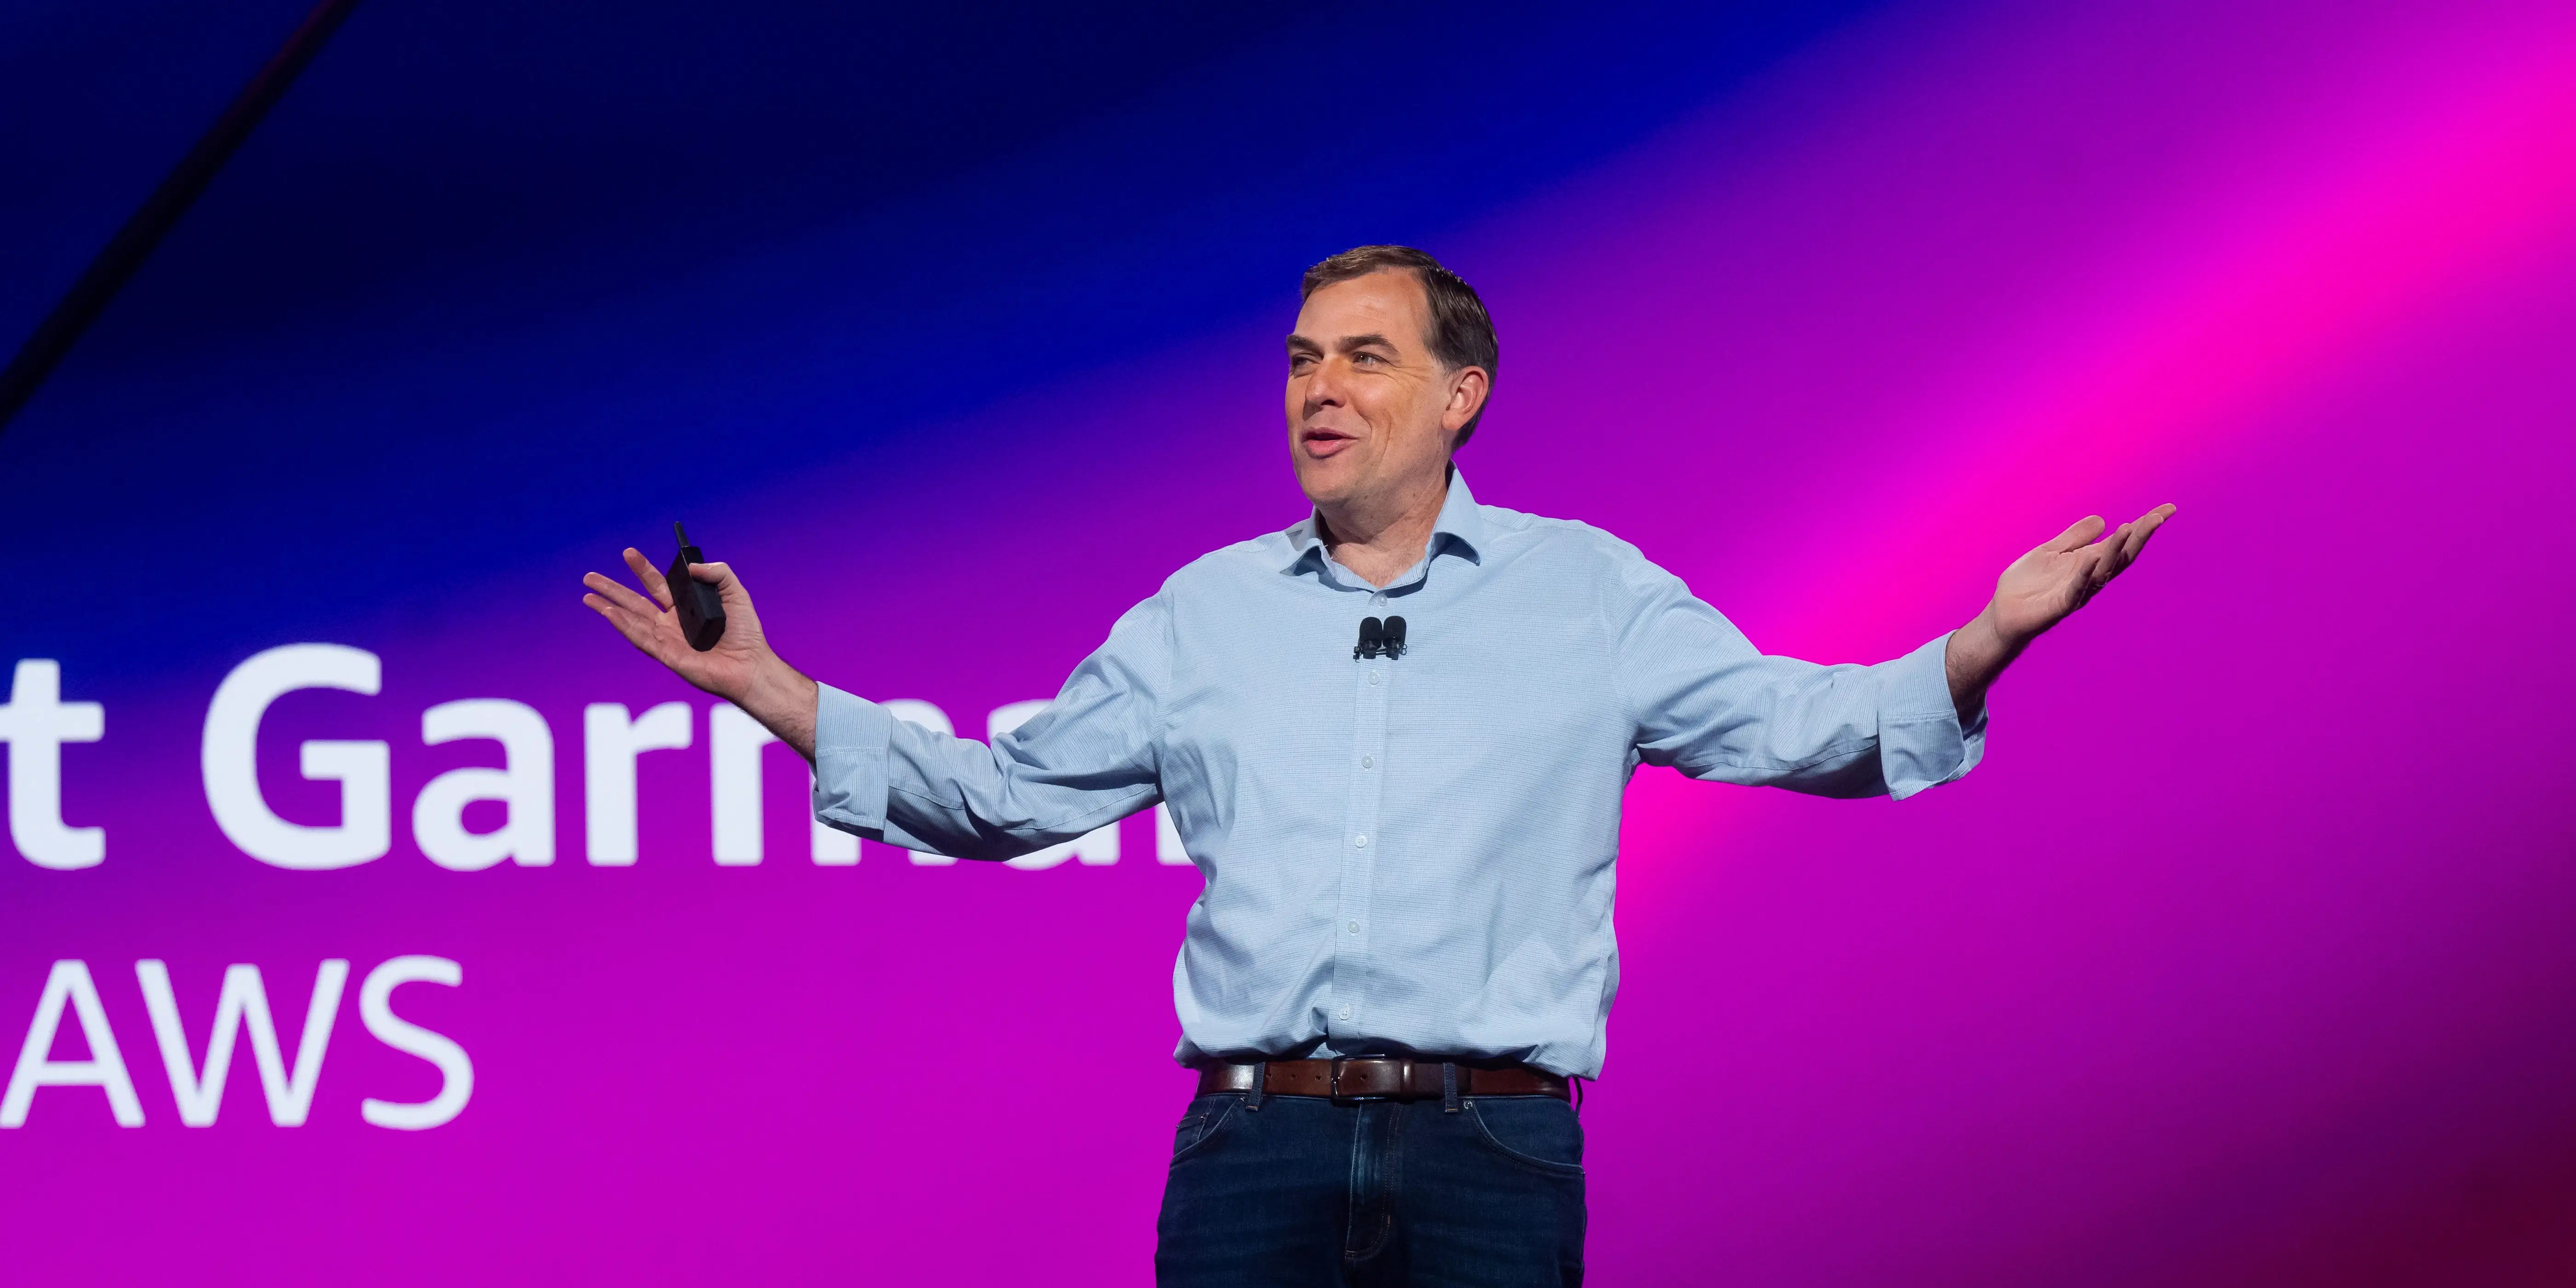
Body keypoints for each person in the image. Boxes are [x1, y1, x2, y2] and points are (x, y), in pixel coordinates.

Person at [581, 245, 2173, 1286]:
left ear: (1459, 396)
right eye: (1298, 361)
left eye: (1361, 357)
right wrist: (770, 689)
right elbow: (1004, 798)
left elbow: (1797, 725)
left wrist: (1980, 641)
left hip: (1490, 1148)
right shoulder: (1203, 611)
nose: (1318, 390)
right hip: (1253, 1147)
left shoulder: (1586, 591)